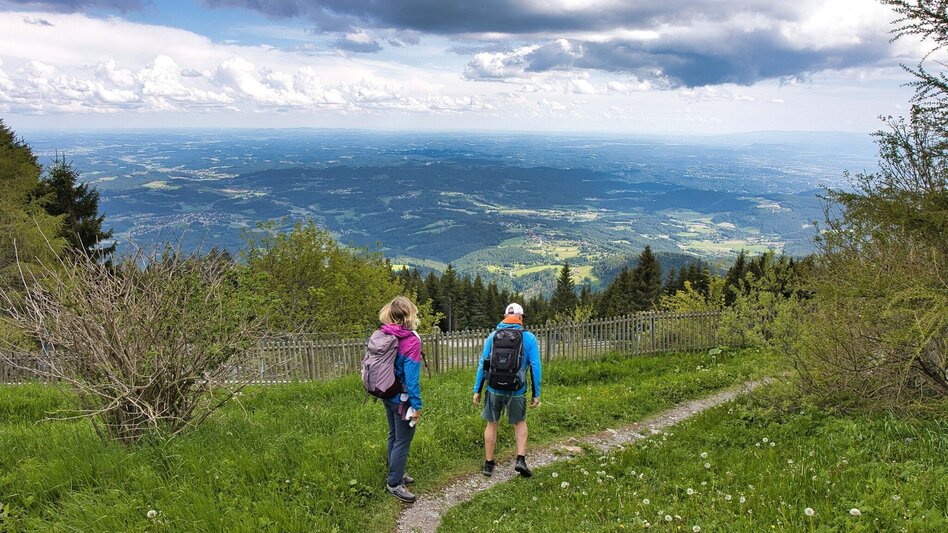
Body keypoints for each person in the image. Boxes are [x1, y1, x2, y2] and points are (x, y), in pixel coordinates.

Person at [472, 302, 542, 478]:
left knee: (492, 424)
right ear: (520, 317)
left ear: (505, 317)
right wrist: (536, 394)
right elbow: (535, 367)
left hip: (494, 389)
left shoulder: (493, 336)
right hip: (517, 390)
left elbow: (483, 364)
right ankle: (520, 460)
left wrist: (477, 389)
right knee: (520, 423)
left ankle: (488, 464)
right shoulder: (529, 338)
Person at [379, 296, 423, 503]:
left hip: (386, 392)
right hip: (402, 398)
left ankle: (396, 471)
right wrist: (417, 405)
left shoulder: (385, 333)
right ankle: (394, 483)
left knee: (394, 435)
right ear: (409, 315)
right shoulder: (411, 340)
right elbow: (411, 379)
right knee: (403, 439)